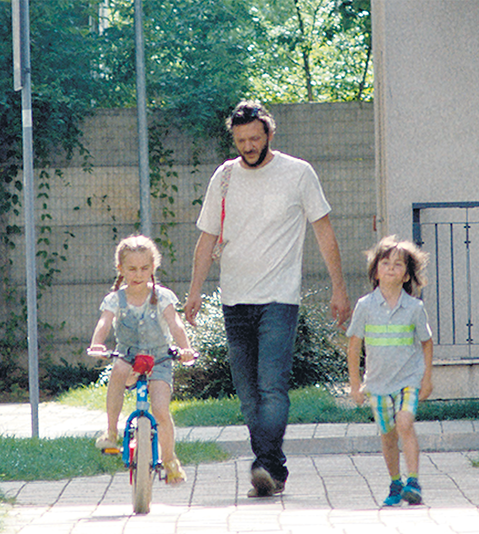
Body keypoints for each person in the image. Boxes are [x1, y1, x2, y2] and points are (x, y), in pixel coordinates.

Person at [184, 100, 351, 498]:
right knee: (247, 395)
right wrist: (194, 290)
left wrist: (339, 287)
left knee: (271, 387)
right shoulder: (224, 177)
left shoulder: (298, 173)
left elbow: (323, 231)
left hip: (279, 298)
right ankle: (270, 468)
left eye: (255, 139)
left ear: (269, 134)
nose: (248, 146)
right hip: (234, 299)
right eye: (241, 140)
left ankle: (267, 466)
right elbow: (207, 237)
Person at [88, 234, 197, 485]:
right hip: (128, 356)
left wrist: (185, 349)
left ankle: (170, 461)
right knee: (117, 370)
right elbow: (104, 323)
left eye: (145, 268)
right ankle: (112, 431)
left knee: (160, 409)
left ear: (153, 267)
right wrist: (97, 343)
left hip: (158, 358)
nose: (139, 274)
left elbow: (175, 324)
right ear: (121, 269)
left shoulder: (163, 296)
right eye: (132, 269)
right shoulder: (115, 299)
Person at [346, 235, 434, 506]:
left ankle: (414, 481)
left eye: (398, 265)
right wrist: (354, 384)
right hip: (378, 383)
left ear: (407, 275)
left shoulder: (415, 308)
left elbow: (426, 343)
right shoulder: (365, 306)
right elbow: (353, 346)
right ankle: (395, 482)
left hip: (408, 378)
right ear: (375, 271)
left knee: (404, 423)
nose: (391, 268)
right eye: (385, 263)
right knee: (387, 434)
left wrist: (426, 379)